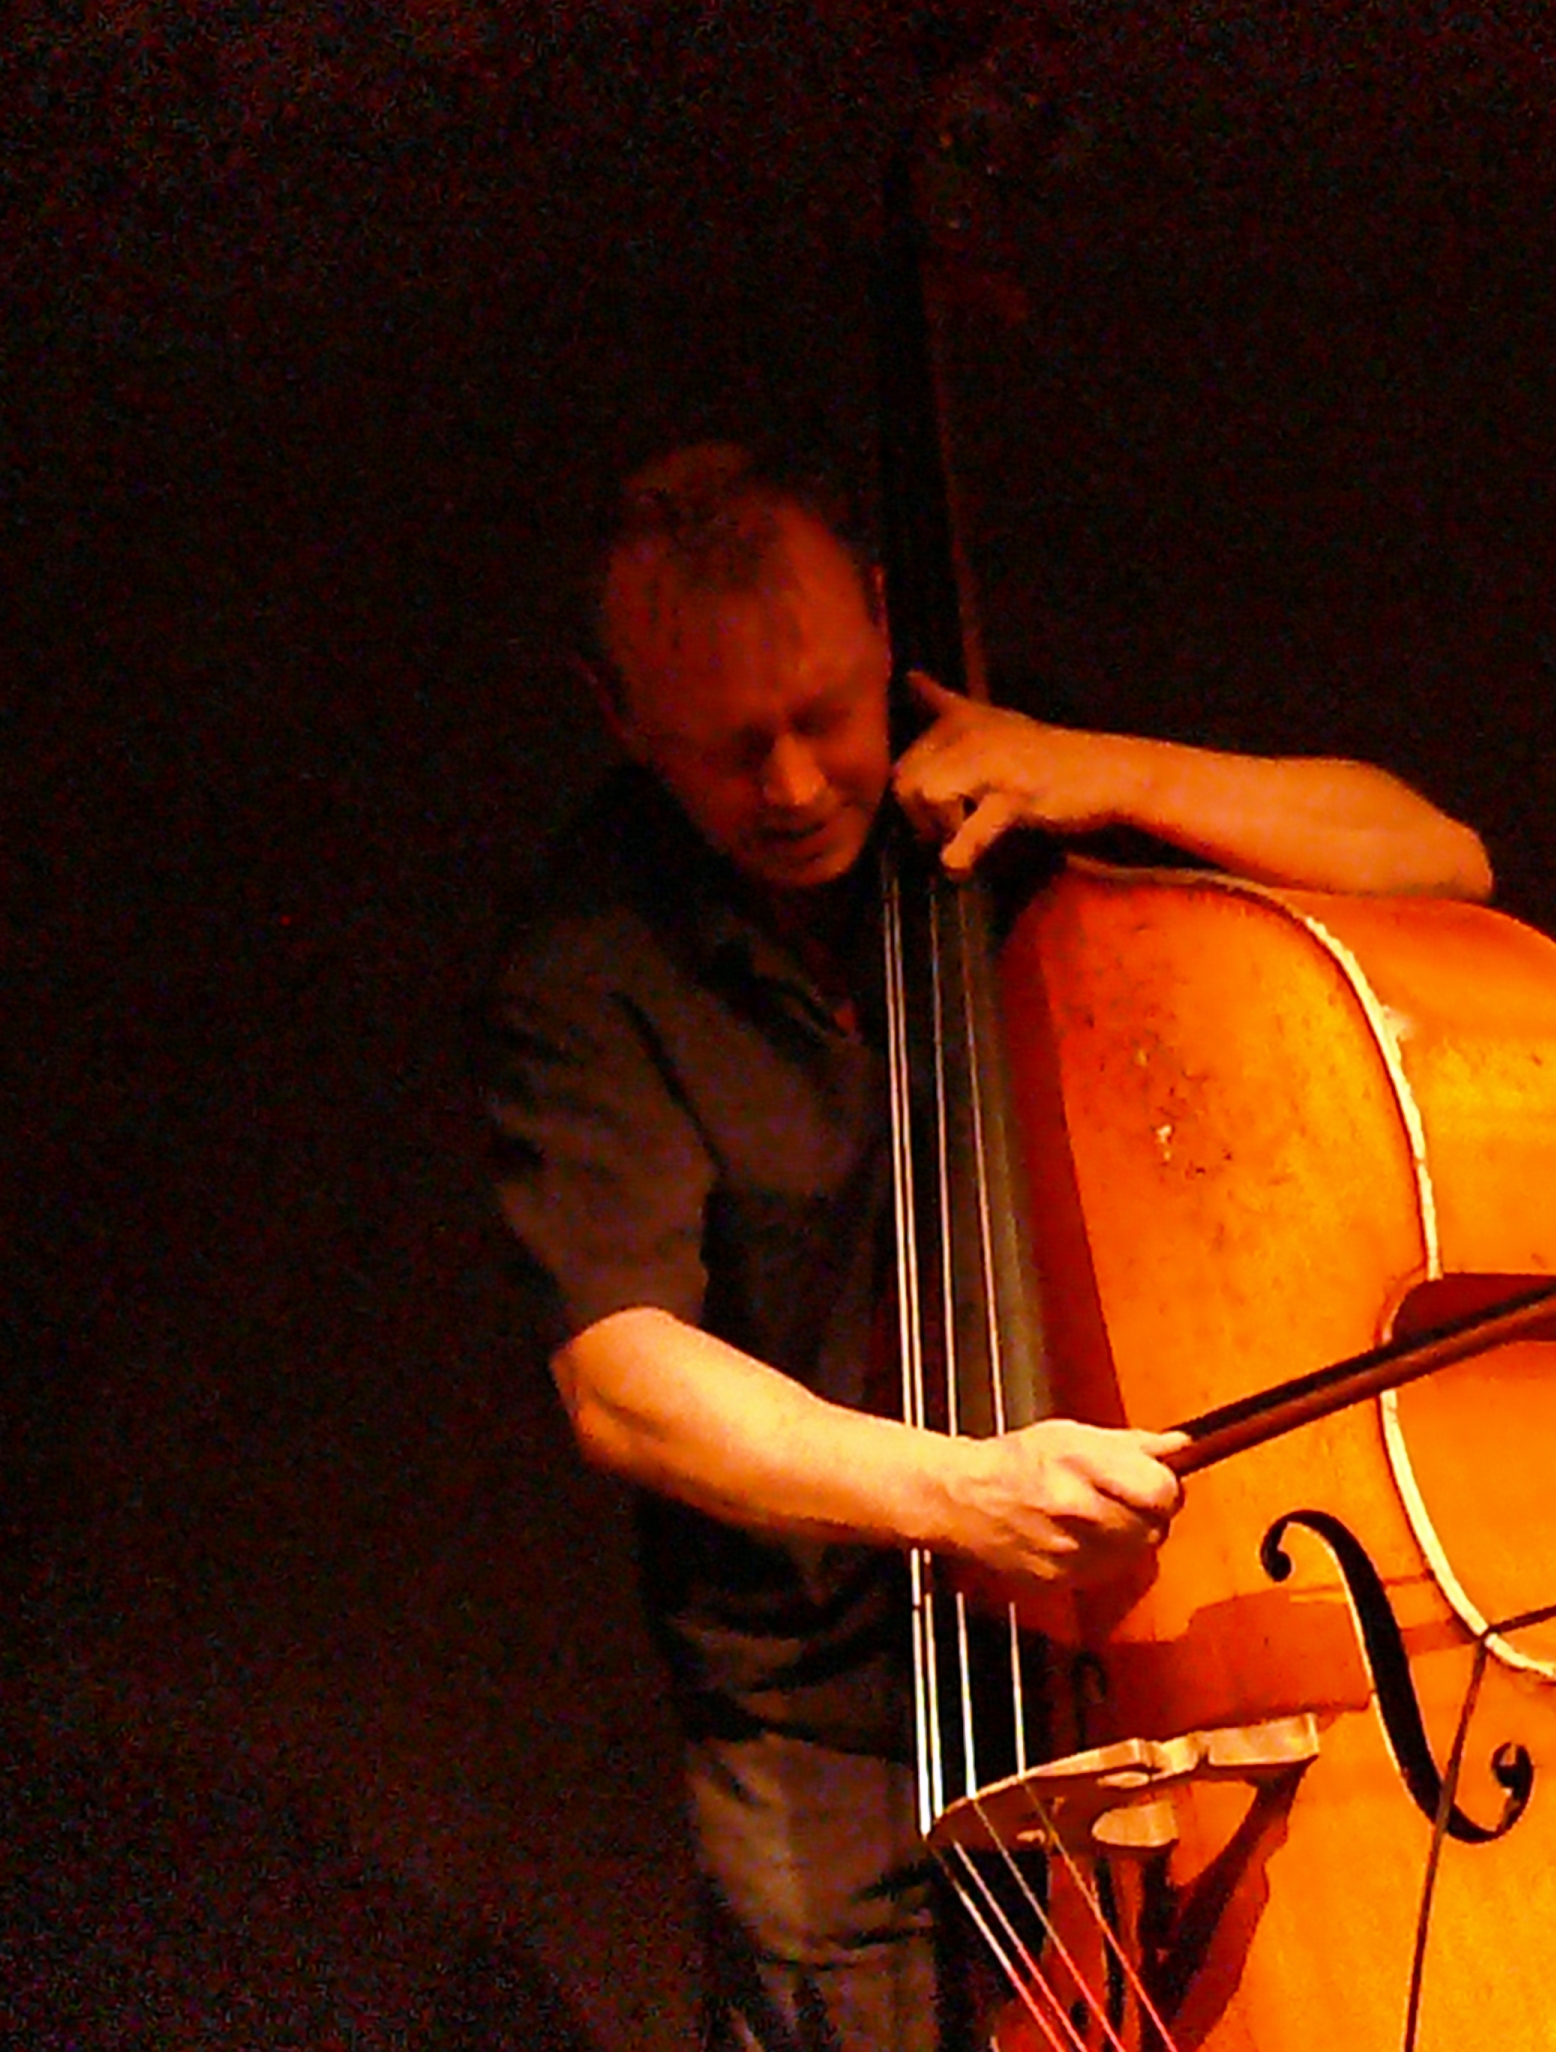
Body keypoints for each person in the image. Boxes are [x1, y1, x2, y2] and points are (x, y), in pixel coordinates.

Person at [480, 440, 1489, 2052]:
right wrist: (960, 1495)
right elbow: (622, 1378)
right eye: (734, 752)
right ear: (621, 720)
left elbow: (1440, 862)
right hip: (833, 1723)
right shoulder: (588, 962)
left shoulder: (1026, 782)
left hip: (1175, 1656)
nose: (800, 784)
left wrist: (1115, 771)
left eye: (824, 715)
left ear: (883, 624)